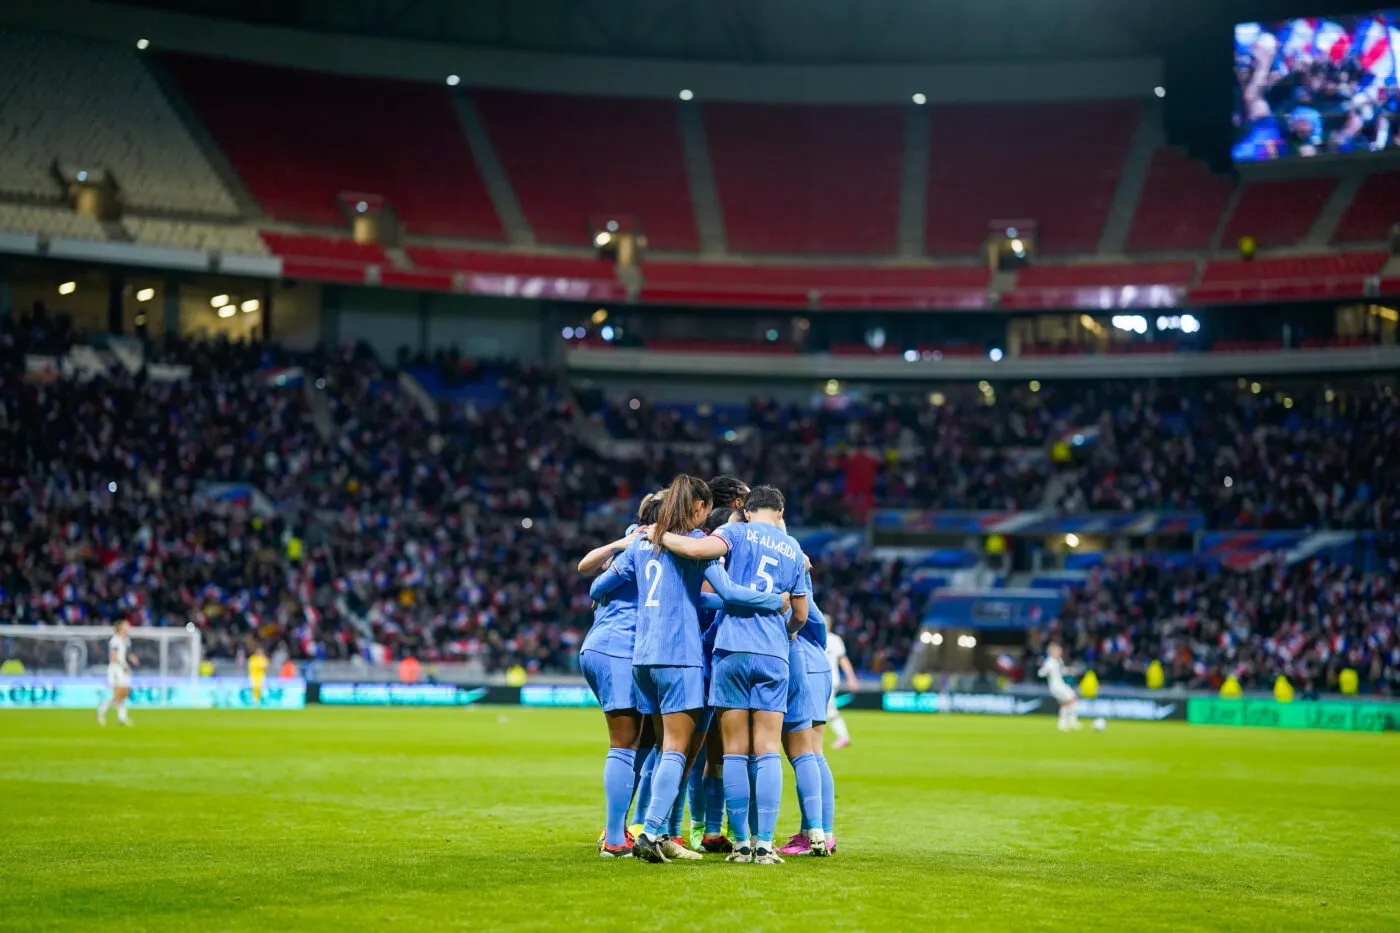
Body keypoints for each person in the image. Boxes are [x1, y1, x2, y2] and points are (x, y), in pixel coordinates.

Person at [592, 475, 788, 864]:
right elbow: (729, 593)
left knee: (653, 748)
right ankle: (651, 832)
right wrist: (773, 600)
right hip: (679, 656)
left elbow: (597, 587)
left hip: (642, 660)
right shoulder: (697, 546)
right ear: (699, 508)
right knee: (676, 751)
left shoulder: (641, 545)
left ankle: (643, 831)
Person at [655, 485, 808, 865]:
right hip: (773, 653)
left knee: (734, 753)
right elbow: (801, 615)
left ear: (747, 509)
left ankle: (739, 845)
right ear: (780, 511)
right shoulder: (794, 550)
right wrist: (784, 632)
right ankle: (764, 844)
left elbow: (694, 550)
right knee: (768, 751)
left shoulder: (736, 532)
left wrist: (657, 532)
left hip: (732, 650)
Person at [578, 492, 660, 857]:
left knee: (638, 739)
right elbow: (588, 572)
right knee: (624, 743)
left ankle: (618, 829)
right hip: (619, 648)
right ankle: (614, 839)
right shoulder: (646, 545)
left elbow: (589, 573)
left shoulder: (634, 541)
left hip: (603, 646)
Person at [777, 566, 833, 857]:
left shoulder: (792, 565)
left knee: (805, 753)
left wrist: (791, 634)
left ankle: (818, 830)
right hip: (815, 664)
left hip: (806, 663)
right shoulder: (795, 563)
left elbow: (814, 618)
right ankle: (816, 830)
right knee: (813, 752)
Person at [97, 620, 137, 727]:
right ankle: (101, 711)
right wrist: (123, 665)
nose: (128, 627)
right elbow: (113, 656)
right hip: (115, 669)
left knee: (124, 694)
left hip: (123, 668)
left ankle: (122, 718)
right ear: (120, 628)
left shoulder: (126, 640)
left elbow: (126, 654)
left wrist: (131, 658)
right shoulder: (115, 640)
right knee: (118, 693)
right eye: (126, 625)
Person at [826, 629, 858, 749]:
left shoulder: (833, 639)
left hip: (829, 679)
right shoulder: (833, 639)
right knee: (826, 707)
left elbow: (843, 659)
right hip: (823, 679)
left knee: (828, 707)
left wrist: (851, 677)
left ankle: (843, 737)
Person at [1040, 643, 1079, 732]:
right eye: (1058, 651)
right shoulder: (1049, 662)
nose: (1060, 652)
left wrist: (1069, 670)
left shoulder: (1058, 661)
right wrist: (1046, 671)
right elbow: (1041, 673)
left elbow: (1060, 671)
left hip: (1061, 685)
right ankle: (1071, 721)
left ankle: (1064, 723)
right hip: (1056, 686)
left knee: (1066, 702)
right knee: (1071, 699)